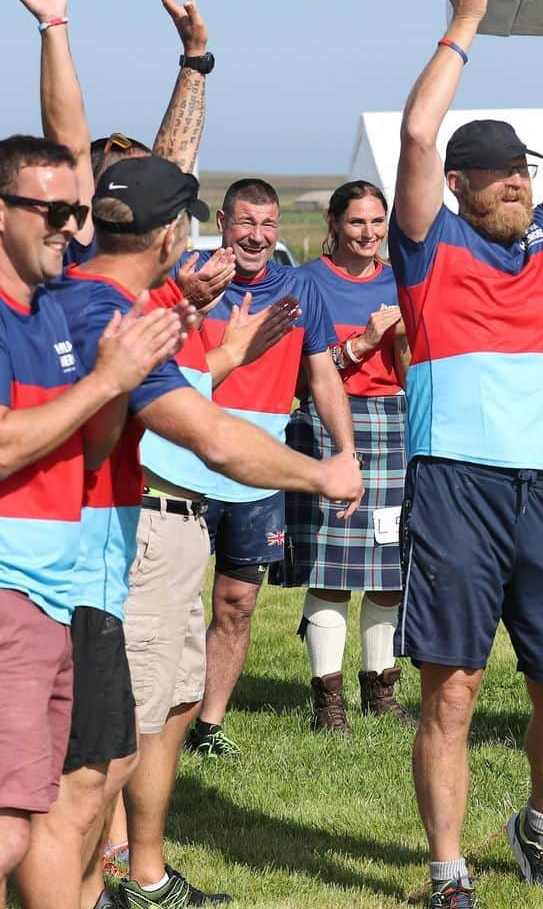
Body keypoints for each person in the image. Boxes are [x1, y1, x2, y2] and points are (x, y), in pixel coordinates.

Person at [23, 156, 362, 909]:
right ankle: (113, 878)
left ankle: (136, 875)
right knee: (87, 769)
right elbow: (209, 434)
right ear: (175, 231)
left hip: (169, 528)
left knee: (158, 713)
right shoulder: (109, 309)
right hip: (138, 530)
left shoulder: (131, 303)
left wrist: (219, 339)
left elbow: (190, 391)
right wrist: (322, 473)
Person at [390, 0, 543, 907]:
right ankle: (448, 872)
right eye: (489, 176)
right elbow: (415, 127)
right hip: (454, 484)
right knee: (453, 689)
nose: (512, 185)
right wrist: (466, 18)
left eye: (517, 172)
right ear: (457, 185)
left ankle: (540, 828)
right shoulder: (426, 247)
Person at [0, 135, 182, 908]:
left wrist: (116, 384)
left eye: (77, 211)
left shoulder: (50, 311)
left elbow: (92, 441)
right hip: (17, 590)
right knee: (19, 824)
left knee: (61, 797)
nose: (70, 226)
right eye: (50, 210)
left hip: (51, 592)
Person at [183, 177, 356, 757]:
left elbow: (324, 376)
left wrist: (345, 450)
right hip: (186, 462)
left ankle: (208, 727)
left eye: (267, 224)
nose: (256, 236)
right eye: (245, 223)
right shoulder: (192, 277)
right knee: (173, 600)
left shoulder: (302, 288)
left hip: (259, 474)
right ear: (223, 224)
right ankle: (160, 721)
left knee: (237, 604)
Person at [271, 180, 412, 731]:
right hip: (326, 426)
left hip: (394, 425)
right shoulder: (304, 282)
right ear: (333, 223)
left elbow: (413, 364)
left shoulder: (400, 280)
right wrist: (360, 345)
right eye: (357, 222)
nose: (369, 234)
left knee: (388, 565)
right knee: (331, 567)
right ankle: (327, 702)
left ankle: (381, 690)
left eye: (378, 223)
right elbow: (300, 368)